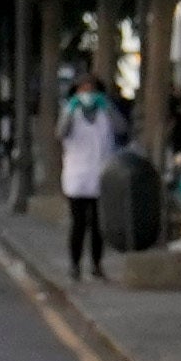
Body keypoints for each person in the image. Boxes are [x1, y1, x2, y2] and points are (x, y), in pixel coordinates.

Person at [60, 86, 124, 274]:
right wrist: (70, 109)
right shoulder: (70, 112)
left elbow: (121, 128)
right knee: (78, 223)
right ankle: (75, 264)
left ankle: (97, 264)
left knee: (98, 225)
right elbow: (61, 132)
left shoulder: (106, 112)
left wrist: (109, 107)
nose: (88, 95)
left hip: (101, 175)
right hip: (77, 177)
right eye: (83, 91)